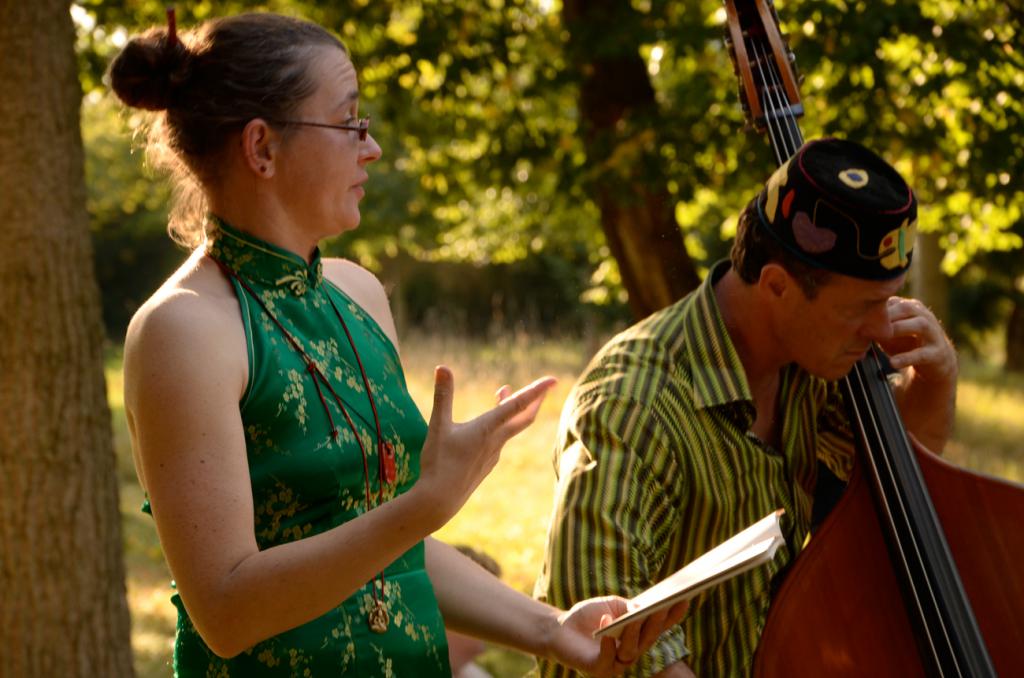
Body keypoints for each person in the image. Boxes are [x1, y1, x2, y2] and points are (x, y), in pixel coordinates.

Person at [111, 11, 686, 677]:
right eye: (349, 121)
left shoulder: (359, 295)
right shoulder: (184, 330)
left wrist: (553, 629)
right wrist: (424, 506)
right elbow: (227, 611)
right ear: (262, 148)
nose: (371, 147)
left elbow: (390, 544)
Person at [535, 137, 959, 676]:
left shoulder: (819, 364)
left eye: (890, 300)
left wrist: (934, 380)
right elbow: (606, 635)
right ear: (778, 286)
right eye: (861, 309)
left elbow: (893, 489)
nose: (882, 331)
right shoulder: (630, 405)